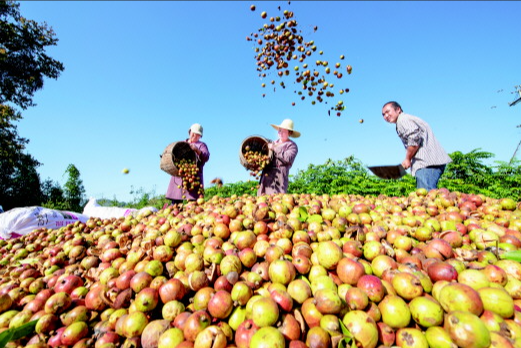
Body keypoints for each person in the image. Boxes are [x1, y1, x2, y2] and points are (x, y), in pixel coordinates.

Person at [381, 101, 452, 191]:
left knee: (426, 194)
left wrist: (407, 158)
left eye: (388, 112)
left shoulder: (403, 120)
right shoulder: (405, 120)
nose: (386, 116)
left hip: (427, 163)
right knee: (427, 196)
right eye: (383, 114)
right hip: (429, 162)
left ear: (398, 109)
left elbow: (414, 138)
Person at [165, 123, 210, 205]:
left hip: (193, 178)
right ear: (189, 132)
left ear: (200, 136)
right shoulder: (181, 144)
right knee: (175, 204)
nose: (195, 136)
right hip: (179, 177)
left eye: (198, 135)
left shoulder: (201, 145)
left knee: (193, 204)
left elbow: (206, 157)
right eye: (193, 133)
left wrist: (197, 150)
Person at [257, 119, 300, 196]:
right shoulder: (272, 143)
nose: (280, 133)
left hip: (279, 176)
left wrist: (275, 148)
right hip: (266, 175)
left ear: (289, 133)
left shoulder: (292, 146)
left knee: (277, 199)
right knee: (262, 198)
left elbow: (288, 158)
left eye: (283, 131)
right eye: (279, 130)